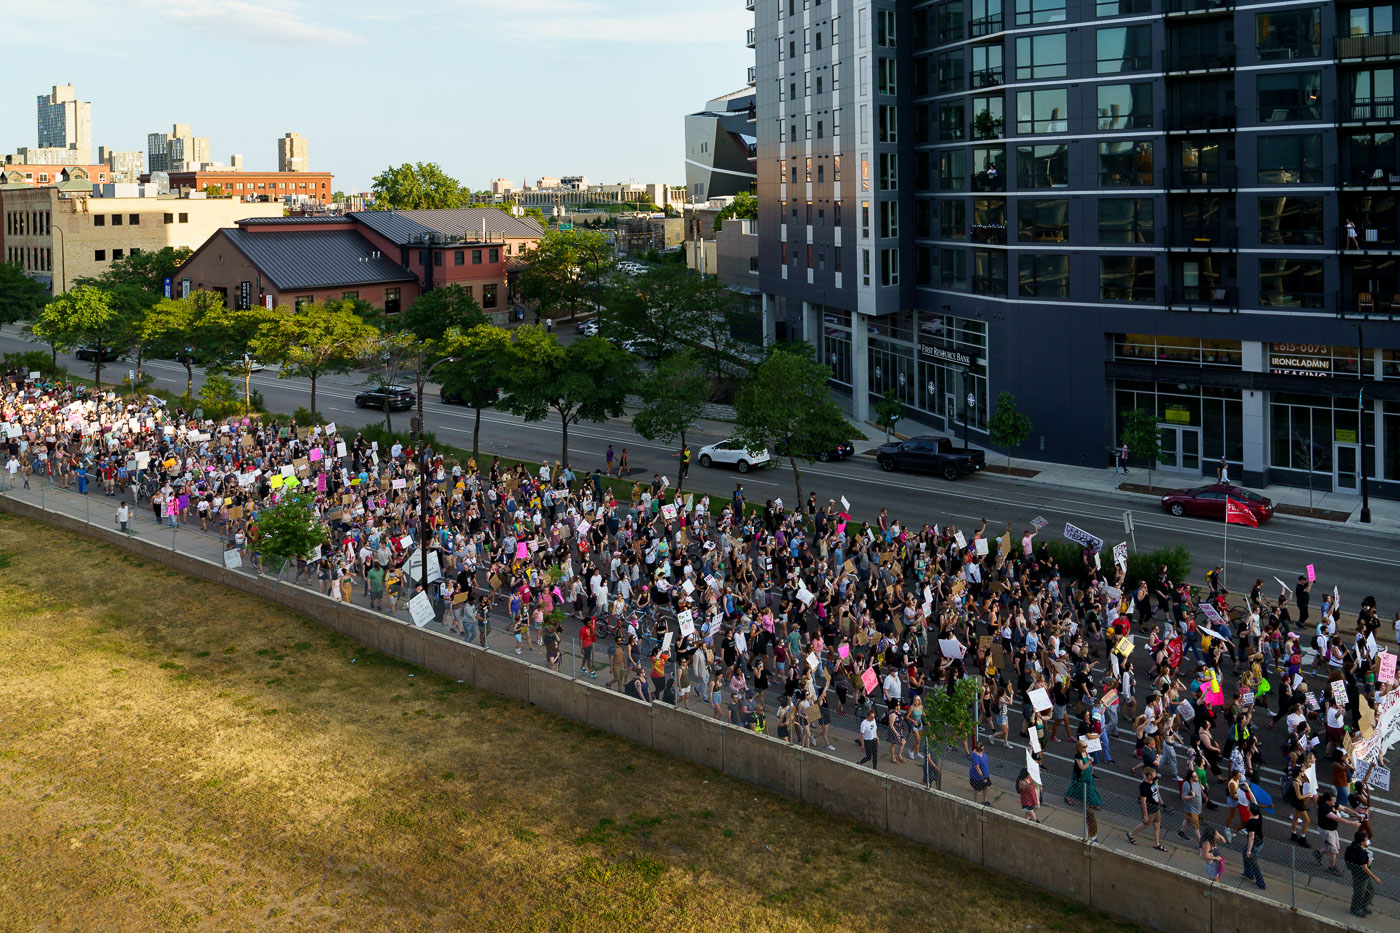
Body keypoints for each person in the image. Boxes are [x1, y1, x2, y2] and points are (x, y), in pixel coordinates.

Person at [1065, 738, 1102, 842]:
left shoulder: (1086, 753)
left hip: (1087, 774)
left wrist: (1091, 762)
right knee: (1077, 787)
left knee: (1090, 787)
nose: (1086, 748)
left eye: (1086, 746)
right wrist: (1089, 762)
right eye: (1084, 746)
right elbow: (1081, 767)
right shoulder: (1078, 756)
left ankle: (1092, 801)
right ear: (1080, 747)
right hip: (1081, 774)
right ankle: (1069, 796)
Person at [1128, 765, 1167, 851]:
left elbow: (1157, 792)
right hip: (1149, 809)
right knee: (1146, 824)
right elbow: (1143, 802)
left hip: (1156, 807)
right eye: (1153, 774)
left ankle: (1157, 844)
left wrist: (1161, 803)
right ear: (1148, 776)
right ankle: (1131, 834)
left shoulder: (1153, 781)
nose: (1155, 775)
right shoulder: (1144, 786)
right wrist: (1145, 815)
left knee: (1157, 825)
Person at [1346, 830, 1379, 918]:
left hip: (1360, 874)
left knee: (1370, 892)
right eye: (1365, 840)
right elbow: (1365, 867)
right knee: (1359, 893)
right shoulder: (1361, 853)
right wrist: (1375, 878)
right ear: (1361, 842)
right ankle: (1355, 909)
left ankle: (1363, 906)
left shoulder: (1353, 846)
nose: (1367, 841)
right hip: (1361, 876)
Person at [1241, 803, 1266, 889]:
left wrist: (1249, 850)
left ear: (1250, 810)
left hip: (1254, 845)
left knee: (1254, 862)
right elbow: (1254, 801)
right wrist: (1248, 789)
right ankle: (1248, 873)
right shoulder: (1259, 815)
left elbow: (1251, 837)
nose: (1247, 807)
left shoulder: (1251, 822)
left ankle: (1261, 883)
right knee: (1244, 853)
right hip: (1260, 842)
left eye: (1248, 806)